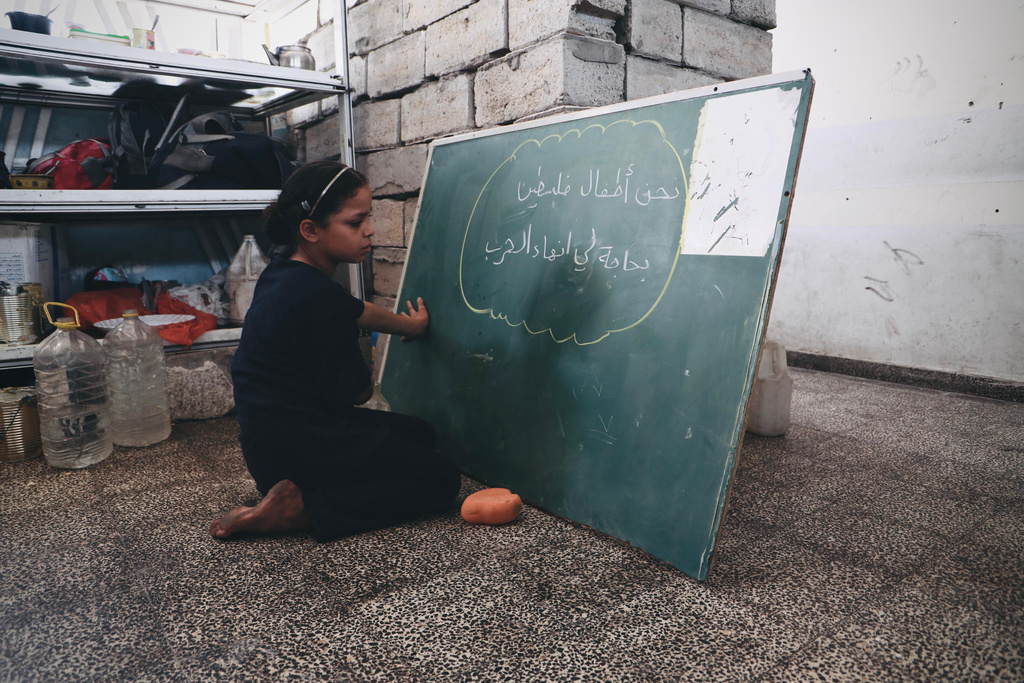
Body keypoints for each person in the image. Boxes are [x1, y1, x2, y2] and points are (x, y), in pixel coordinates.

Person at [209, 161, 462, 541]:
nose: (370, 231)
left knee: (420, 434)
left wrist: (411, 325)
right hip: (300, 446)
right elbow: (358, 393)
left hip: (269, 443)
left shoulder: (284, 273)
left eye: (368, 218)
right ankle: (304, 508)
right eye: (355, 222)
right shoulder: (317, 299)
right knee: (442, 478)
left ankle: (298, 491)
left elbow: (356, 309)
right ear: (310, 229)